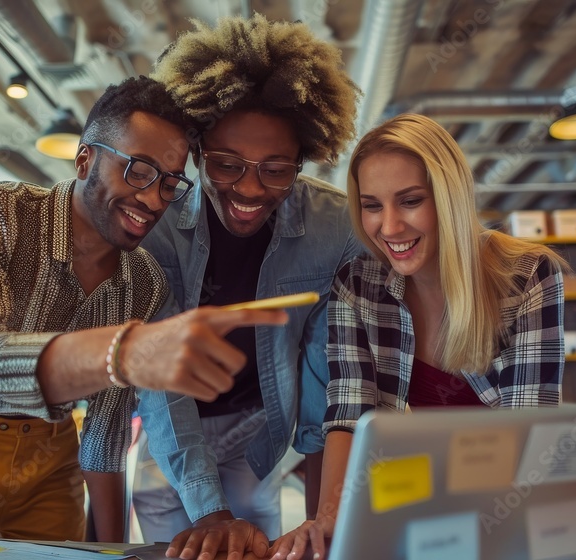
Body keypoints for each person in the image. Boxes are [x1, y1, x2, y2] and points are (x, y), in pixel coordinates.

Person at [0, 76, 289, 541]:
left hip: (51, 463)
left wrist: (113, 549)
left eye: (170, 183)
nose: (153, 199)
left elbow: (105, 435)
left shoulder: (144, 282)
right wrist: (122, 352)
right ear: (84, 158)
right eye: (138, 171)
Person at [78, 13, 363, 559]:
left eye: (277, 169)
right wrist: (209, 509)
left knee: (255, 543)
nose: (250, 189)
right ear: (198, 148)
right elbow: (162, 380)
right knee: (177, 543)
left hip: (260, 428)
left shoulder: (335, 229)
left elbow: (326, 373)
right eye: (227, 164)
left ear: (303, 159)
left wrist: (322, 519)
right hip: (173, 425)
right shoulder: (154, 224)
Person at [269, 113, 569, 560]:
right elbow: (351, 410)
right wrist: (330, 518)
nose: (389, 228)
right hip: (410, 500)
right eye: (372, 206)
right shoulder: (358, 284)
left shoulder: (525, 277)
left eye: (409, 201)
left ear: (447, 197)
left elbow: (526, 432)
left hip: (507, 506)